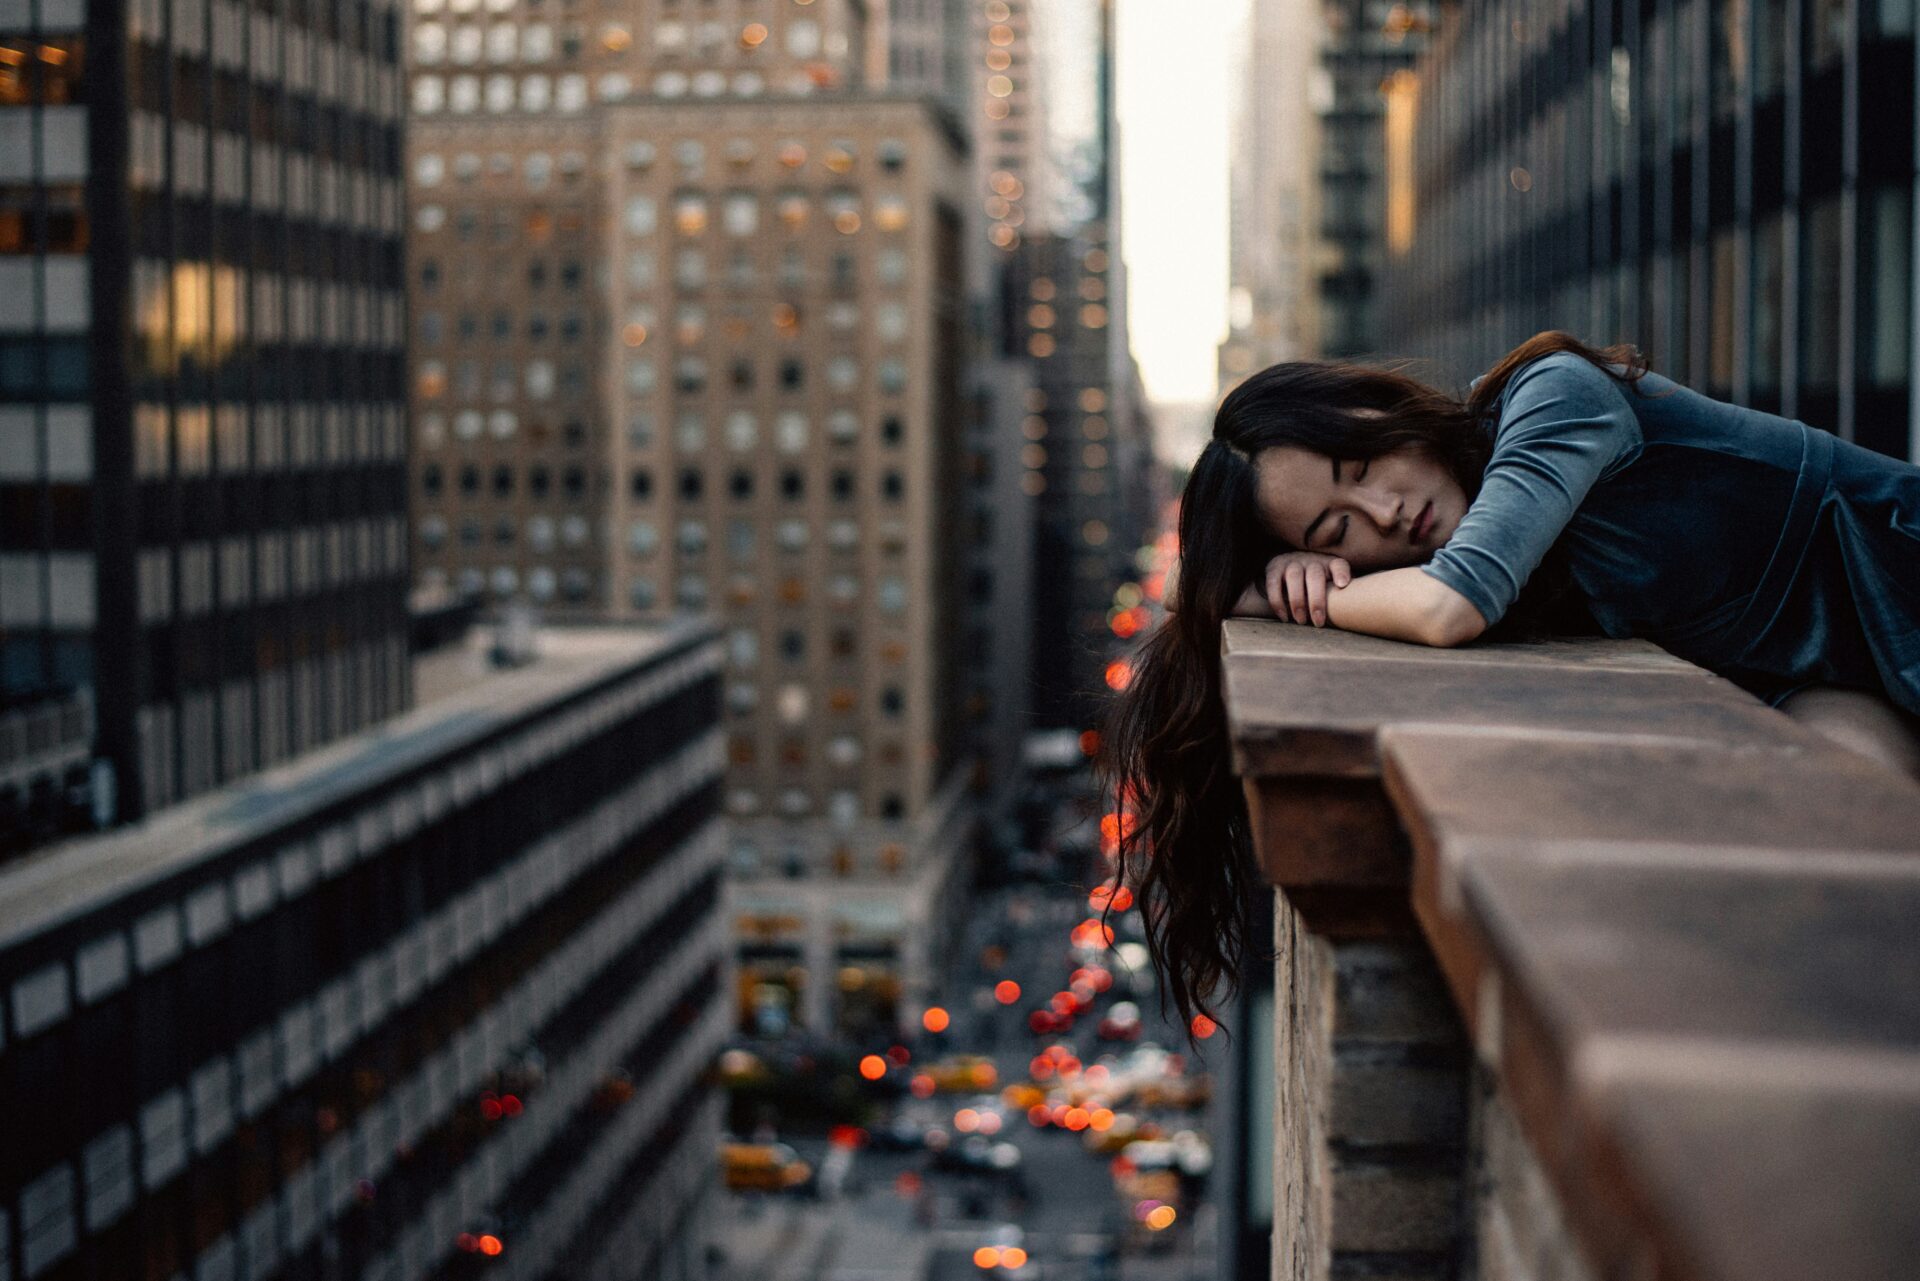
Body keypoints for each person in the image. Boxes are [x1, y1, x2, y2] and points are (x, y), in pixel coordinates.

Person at [1101, 329, 1920, 1035]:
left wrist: (1296, 591)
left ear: (1384, 409)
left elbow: (1454, 604)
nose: (1385, 512)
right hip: (1821, 675)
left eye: (1363, 462)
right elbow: (1183, 592)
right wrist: (1272, 577)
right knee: (1846, 839)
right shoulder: (1486, 545)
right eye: (1337, 528)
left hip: (1898, 586)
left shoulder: (1553, 396)